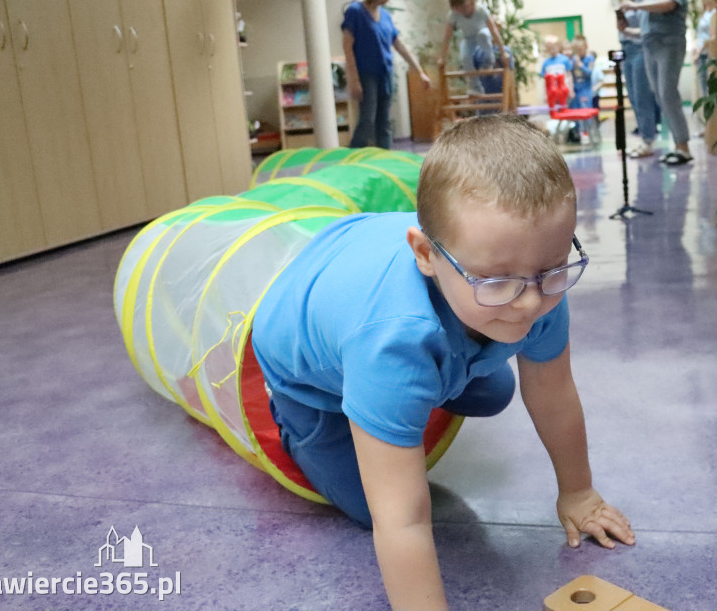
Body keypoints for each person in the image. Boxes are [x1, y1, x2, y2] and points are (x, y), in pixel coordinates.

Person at [251, 114, 635, 610]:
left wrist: (579, 492)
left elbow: (554, 393)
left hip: (366, 262)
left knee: (497, 390)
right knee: (374, 507)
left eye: (553, 269)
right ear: (427, 256)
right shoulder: (391, 343)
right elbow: (402, 519)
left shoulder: (534, 285)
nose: (529, 303)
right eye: (496, 281)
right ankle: (301, 422)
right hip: (303, 371)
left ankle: (412, 392)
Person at [342, 0, 430, 149]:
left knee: (384, 120)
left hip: (385, 73)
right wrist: (354, 80)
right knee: (367, 118)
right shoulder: (355, 11)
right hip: (366, 74)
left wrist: (420, 72)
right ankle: (352, 158)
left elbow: (399, 45)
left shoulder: (385, 16)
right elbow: (348, 48)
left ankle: (385, 157)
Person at [620, 0, 692, 165]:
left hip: (669, 45)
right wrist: (627, 31)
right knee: (660, 96)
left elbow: (668, 5)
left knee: (668, 94)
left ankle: (683, 146)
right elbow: (645, 31)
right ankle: (678, 145)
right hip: (650, 47)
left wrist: (636, 6)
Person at [614, 0, 660, 157]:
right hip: (626, 51)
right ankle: (644, 137)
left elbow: (643, 29)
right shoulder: (622, 5)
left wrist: (626, 29)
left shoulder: (641, 2)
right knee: (633, 97)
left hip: (640, 50)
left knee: (642, 97)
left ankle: (648, 140)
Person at [439, 0, 508, 94]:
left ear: (472, 1)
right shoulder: (453, 15)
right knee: (465, 57)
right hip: (469, 38)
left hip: (484, 35)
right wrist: (442, 58)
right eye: (458, 9)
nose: (462, 11)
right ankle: (476, 87)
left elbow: (494, 32)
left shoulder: (481, 11)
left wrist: (503, 53)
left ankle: (489, 61)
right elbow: (447, 37)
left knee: (482, 35)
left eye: (464, 7)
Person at [569, 34, 596, 141]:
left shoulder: (590, 59)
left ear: (586, 47)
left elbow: (590, 73)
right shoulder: (573, 60)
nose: (579, 53)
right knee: (574, 112)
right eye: (576, 50)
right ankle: (576, 133)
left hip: (586, 90)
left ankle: (588, 133)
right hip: (575, 90)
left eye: (580, 50)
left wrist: (580, 65)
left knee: (586, 113)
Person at [694, 0, 716, 100]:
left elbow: (711, 35)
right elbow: (700, 35)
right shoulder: (705, 13)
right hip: (701, 53)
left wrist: (700, 50)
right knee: (703, 82)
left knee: (710, 82)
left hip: (709, 52)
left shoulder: (715, 13)